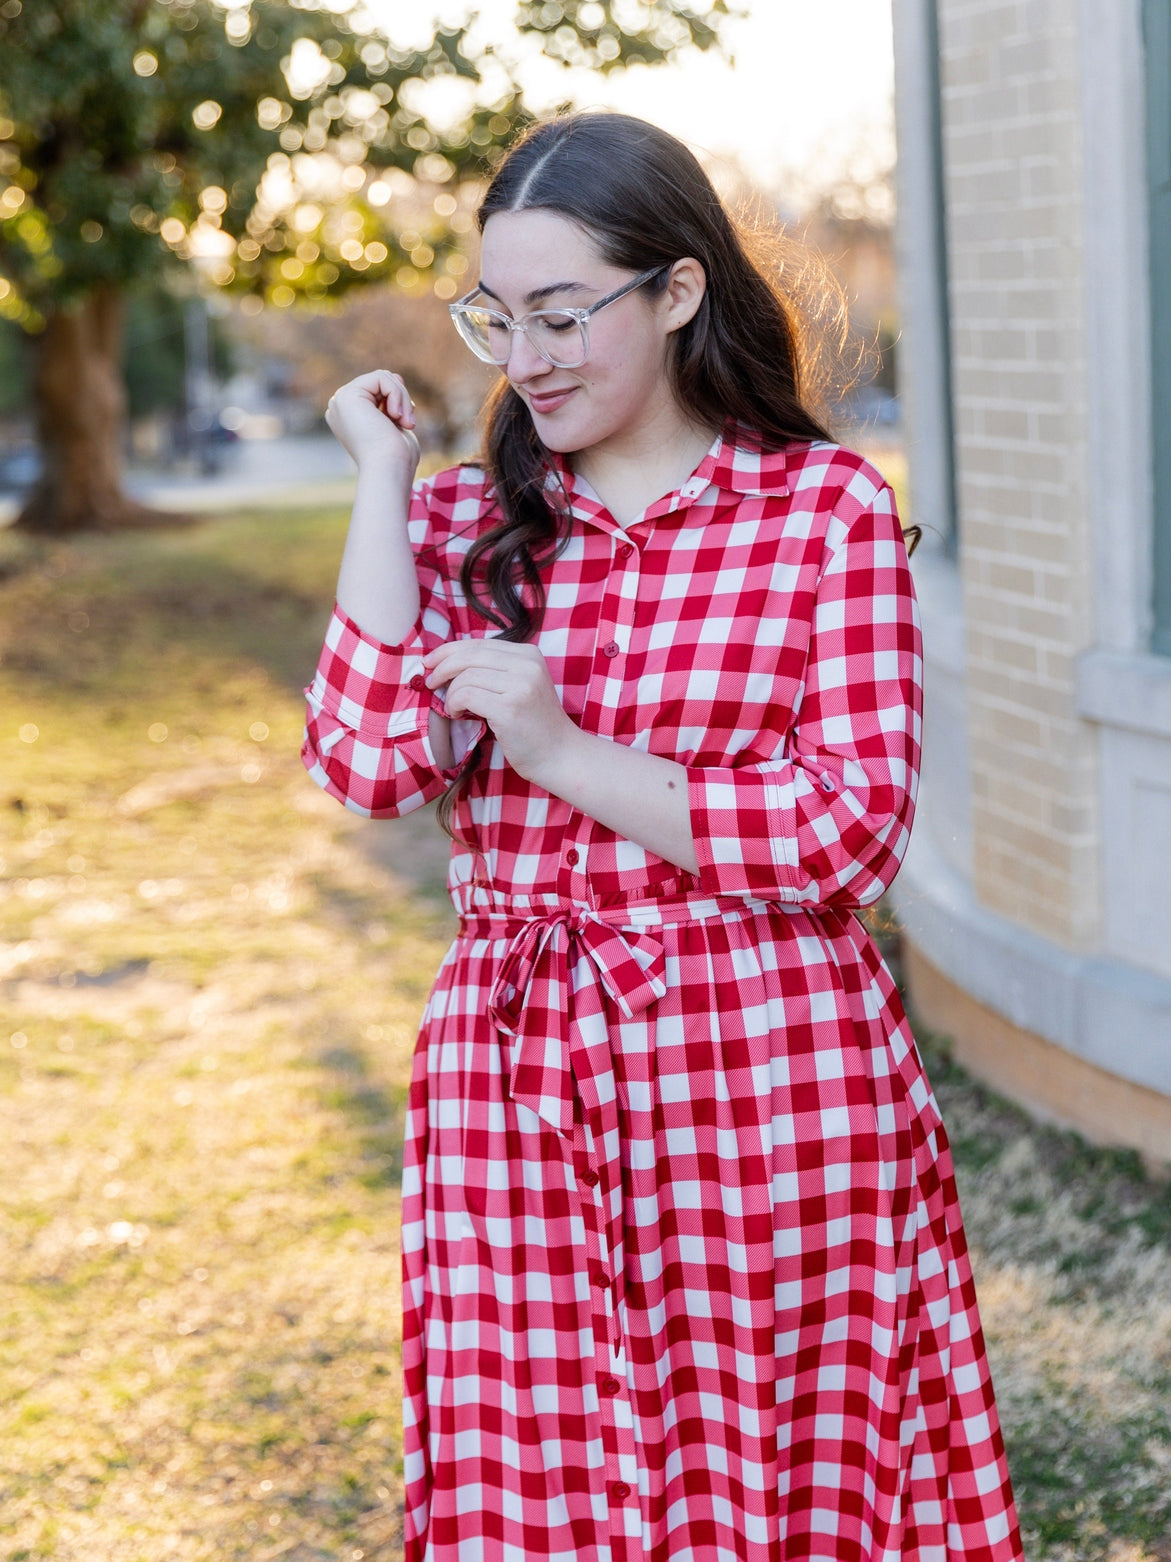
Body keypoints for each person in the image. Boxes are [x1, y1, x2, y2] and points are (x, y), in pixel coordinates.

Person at [304, 111, 1023, 1562]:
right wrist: (381, 484)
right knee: (541, 1478)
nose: (529, 356)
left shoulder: (816, 515)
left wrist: (565, 754)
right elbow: (369, 761)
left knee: (774, 1467)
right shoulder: (462, 529)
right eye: (496, 319)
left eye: (565, 315)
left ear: (677, 291)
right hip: (515, 1085)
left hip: (764, 1075)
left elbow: (848, 832)